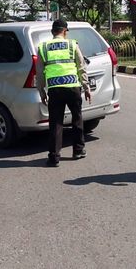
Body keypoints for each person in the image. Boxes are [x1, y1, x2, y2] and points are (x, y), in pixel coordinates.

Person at [36, 19, 92, 167]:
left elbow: (39, 73)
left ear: (52, 32)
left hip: (55, 90)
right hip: (73, 87)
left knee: (56, 123)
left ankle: (54, 157)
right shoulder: (72, 44)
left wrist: (41, 92)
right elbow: (81, 66)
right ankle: (78, 150)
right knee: (77, 119)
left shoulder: (43, 47)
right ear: (65, 31)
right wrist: (86, 88)